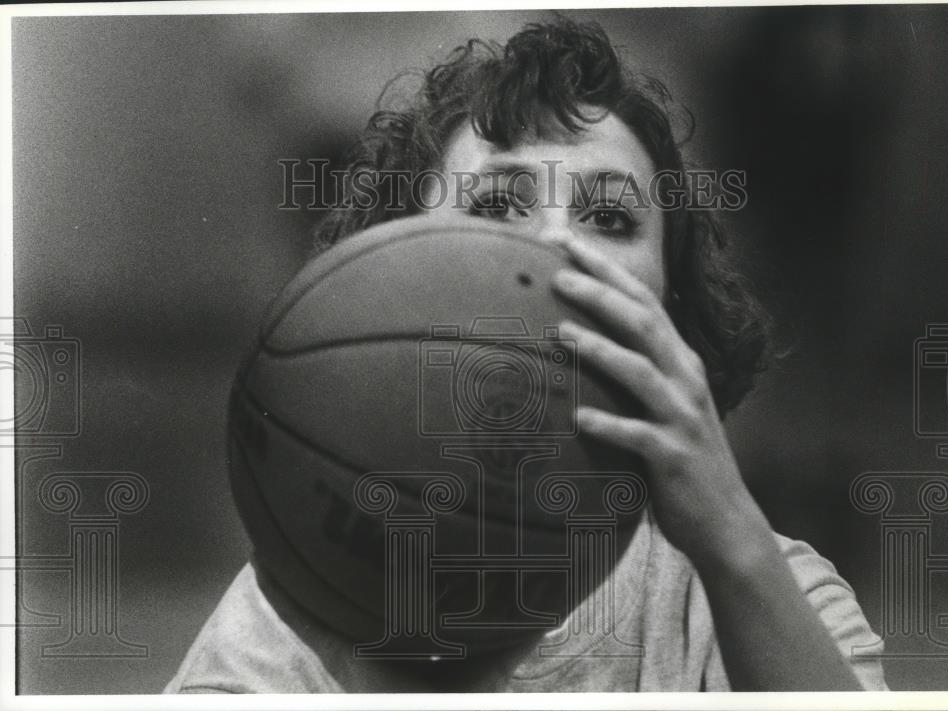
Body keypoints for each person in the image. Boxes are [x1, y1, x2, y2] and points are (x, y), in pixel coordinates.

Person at [165, 17, 888, 692]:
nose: (550, 247)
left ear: (668, 299)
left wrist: (735, 541)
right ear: (390, 278)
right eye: (496, 205)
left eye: (608, 217)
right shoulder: (294, 607)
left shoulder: (765, 587)